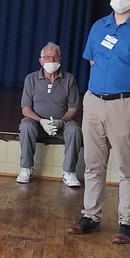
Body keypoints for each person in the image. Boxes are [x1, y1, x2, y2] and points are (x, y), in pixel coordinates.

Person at [67, 0, 130, 244]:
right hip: (94, 101)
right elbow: (92, 61)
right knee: (93, 164)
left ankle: (127, 222)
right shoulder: (99, 27)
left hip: (124, 104)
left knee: (127, 167)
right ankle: (91, 217)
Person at [16, 42, 82, 186]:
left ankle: (69, 172)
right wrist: (41, 121)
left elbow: (73, 108)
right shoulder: (31, 79)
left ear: (60, 59)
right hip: (38, 125)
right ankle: (26, 168)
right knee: (26, 125)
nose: (51, 61)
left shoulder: (69, 79)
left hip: (62, 125)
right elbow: (25, 109)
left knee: (74, 129)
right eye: (47, 57)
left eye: (55, 57)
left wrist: (61, 121)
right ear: (41, 61)